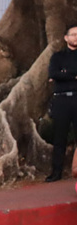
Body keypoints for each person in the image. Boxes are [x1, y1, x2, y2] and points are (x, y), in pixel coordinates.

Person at [46, 24, 77, 183]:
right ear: (66, 38)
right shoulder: (57, 56)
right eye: (73, 34)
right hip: (62, 100)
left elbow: (59, 75)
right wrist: (73, 76)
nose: (75, 37)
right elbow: (53, 74)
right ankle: (56, 172)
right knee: (60, 138)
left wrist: (65, 74)